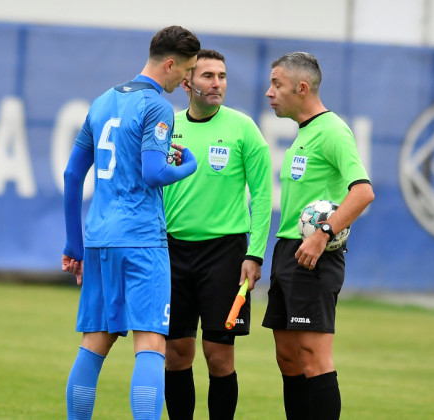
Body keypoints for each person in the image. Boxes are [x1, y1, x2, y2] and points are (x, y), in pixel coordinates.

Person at [61, 25, 201, 420]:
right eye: (187, 70)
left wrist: (74, 246)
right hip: (141, 239)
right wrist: (188, 166)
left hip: (100, 239)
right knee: (152, 344)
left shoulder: (103, 101)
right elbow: (154, 172)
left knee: (94, 343)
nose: (187, 79)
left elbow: (73, 177)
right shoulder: (157, 107)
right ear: (170, 63)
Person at [262, 52, 374, 420]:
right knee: (287, 359)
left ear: (302, 87)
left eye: (277, 84)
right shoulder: (304, 133)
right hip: (287, 250)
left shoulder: (333, 131)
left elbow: (362, 192)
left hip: (315, 255)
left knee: (314, 357)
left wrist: (323, 233)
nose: (269, 92)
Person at [162, 49, 273, 420]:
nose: (217, 83)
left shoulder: (244, 129)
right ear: (186, 82)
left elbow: (262, 197)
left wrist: (254, 254)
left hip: (225, 255)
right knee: (176, 353)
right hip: (171, 251)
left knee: (218, 355)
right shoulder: (166, 125)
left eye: (222, 76)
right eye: (208, 76)